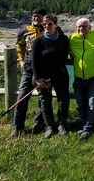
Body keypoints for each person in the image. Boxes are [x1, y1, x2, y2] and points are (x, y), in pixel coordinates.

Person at [9, 8, 47, 139]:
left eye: (39, 16)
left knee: (43, 98)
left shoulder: (49, 29)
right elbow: (19, 46)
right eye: (34, 16)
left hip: (44, 69)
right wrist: (21, 59)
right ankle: (17, 128)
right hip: (29, 69)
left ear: (44, 17)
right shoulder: (24, 31)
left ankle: (39, 124)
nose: (36, 18)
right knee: (22, 98)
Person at [31, 14, 70, 139]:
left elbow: (64, 56)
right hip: (43, 75)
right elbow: (34, 61)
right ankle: (49, 126)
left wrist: (58, 68)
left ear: (56, 25)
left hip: (59, 73)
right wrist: (37, 78)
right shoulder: (38, 41)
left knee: (63, 100)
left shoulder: (64, 39)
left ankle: (62, 124)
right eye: (44, 24)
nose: (46, 26)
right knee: (45, 101)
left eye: (49, 24)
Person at [69, 18, 94, 140]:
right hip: (78, 77)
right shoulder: (72, 38)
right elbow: (68, 51)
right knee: (81, 104)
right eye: (79, 26)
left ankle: (88, 128)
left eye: (84, 26)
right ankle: (86, 125)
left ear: (90, 27)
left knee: (92, 103)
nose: (81, 29)